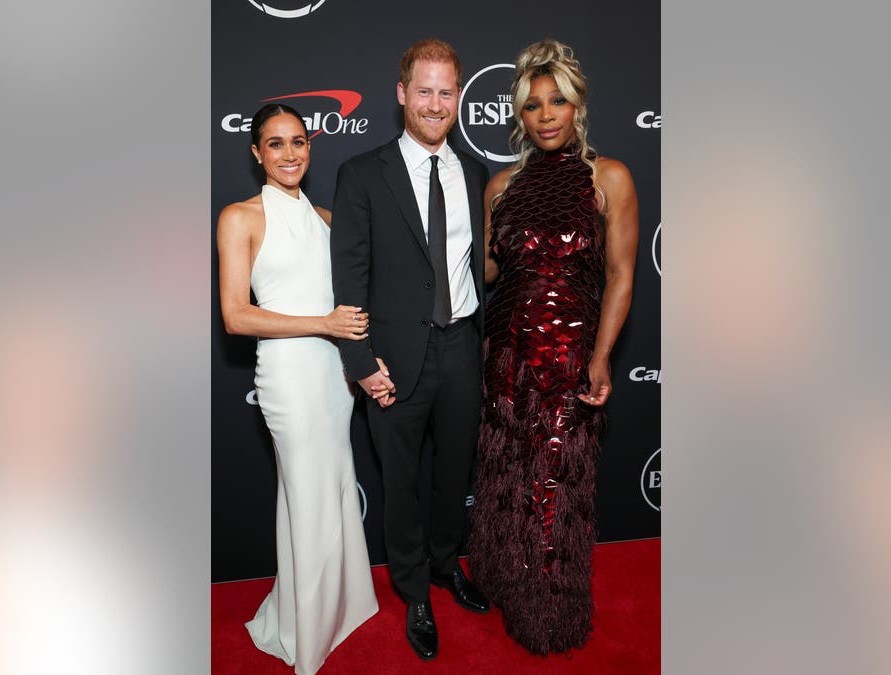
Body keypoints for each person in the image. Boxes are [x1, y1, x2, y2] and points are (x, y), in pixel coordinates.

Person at [466, 39, 639, 655]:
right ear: (520, 113)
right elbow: (485, 272)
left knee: (553, 489)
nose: (545, 115)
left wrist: (600, 359)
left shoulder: (608, 177)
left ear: (577, 105)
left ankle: (549, 618)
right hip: (503, 357)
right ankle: (504, 582)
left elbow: (620, 275)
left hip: (567, 362)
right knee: (507, 477)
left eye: (557, 101)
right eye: (533, 104)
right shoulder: (500, 185)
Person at [329, 38, 491, 661]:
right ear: (401, 93)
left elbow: (473, 267)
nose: (434, 103)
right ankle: (414, 589)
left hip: (461, 349)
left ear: (459, 97)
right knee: (400, 484)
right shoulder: (362, 173)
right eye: (422, 90)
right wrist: (361, 363)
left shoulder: (473, 172)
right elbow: (349, 278)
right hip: (393, 361)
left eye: (446, 91)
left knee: (455, 475)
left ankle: (449, 564)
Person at [216, 103, 378, 675]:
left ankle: (342, 604)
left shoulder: (328, 218)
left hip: (334, 378)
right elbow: (236, 316)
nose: (291, 154)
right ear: (257, 152)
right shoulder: (240, 217)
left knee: (331, 488)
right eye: (276, 144)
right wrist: (324, 324)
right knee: (306, 497)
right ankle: (304, 632)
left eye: (299, 142)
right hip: (289, 376)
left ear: (311, 148)